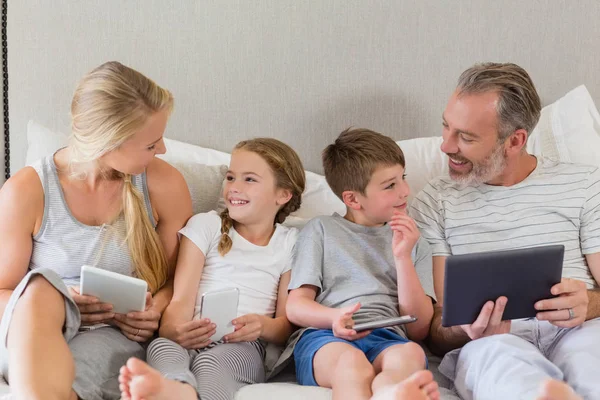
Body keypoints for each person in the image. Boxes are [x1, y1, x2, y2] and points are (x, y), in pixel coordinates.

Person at [0, 61, 192, 400]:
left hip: (109, 331)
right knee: (44, 289)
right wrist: (66, 303)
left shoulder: (165, 185)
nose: (162, 150)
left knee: (65, 366)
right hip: (32, 326)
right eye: (151, 144)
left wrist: (155, 311)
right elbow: (4, 292)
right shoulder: (27, 191)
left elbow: (181, 279)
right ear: (109, 144)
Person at [410, 62, 600, 400]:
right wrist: (462, 329)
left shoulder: (585, 185)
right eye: (446, 128)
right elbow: (435, 326)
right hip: (492, 342)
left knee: (592, 366)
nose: (446, 146)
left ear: (515, 140)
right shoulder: (435, 202)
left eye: (466, 137)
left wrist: (590, 304)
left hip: (580, 330)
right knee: (504, 372)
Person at [118, 138, 306, 400]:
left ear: (283, 195)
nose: (234, 188)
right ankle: (175, 388)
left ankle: (183, 394)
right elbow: (180, 300)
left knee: (213, 365)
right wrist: (175, 331)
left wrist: (261, 326)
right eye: (230, 177)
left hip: (243, 345)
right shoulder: (206, 225)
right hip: (192, 330)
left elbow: (286, 325)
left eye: (249, 179)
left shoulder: (290, 243)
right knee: (162, 348)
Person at [284, 128, 440, 400]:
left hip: (389, 336)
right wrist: (334, 318)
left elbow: (419, 328)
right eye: (390, 185)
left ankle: (390, 393)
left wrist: (403, 257)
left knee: (410, 354)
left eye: (402, 178)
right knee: (351, 365)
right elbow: (296, 306)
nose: (405, 191)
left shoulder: (416, 240)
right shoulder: (321, 230)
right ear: (353, 199)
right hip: (327, 336)